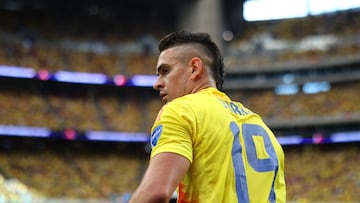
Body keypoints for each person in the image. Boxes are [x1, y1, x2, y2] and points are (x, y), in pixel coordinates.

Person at [129, 31, 286, 203]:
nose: (157, 83)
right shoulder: (262, 127)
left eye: (165, 70)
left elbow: (155, 193)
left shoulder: (181, 110)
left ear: (194, 68)